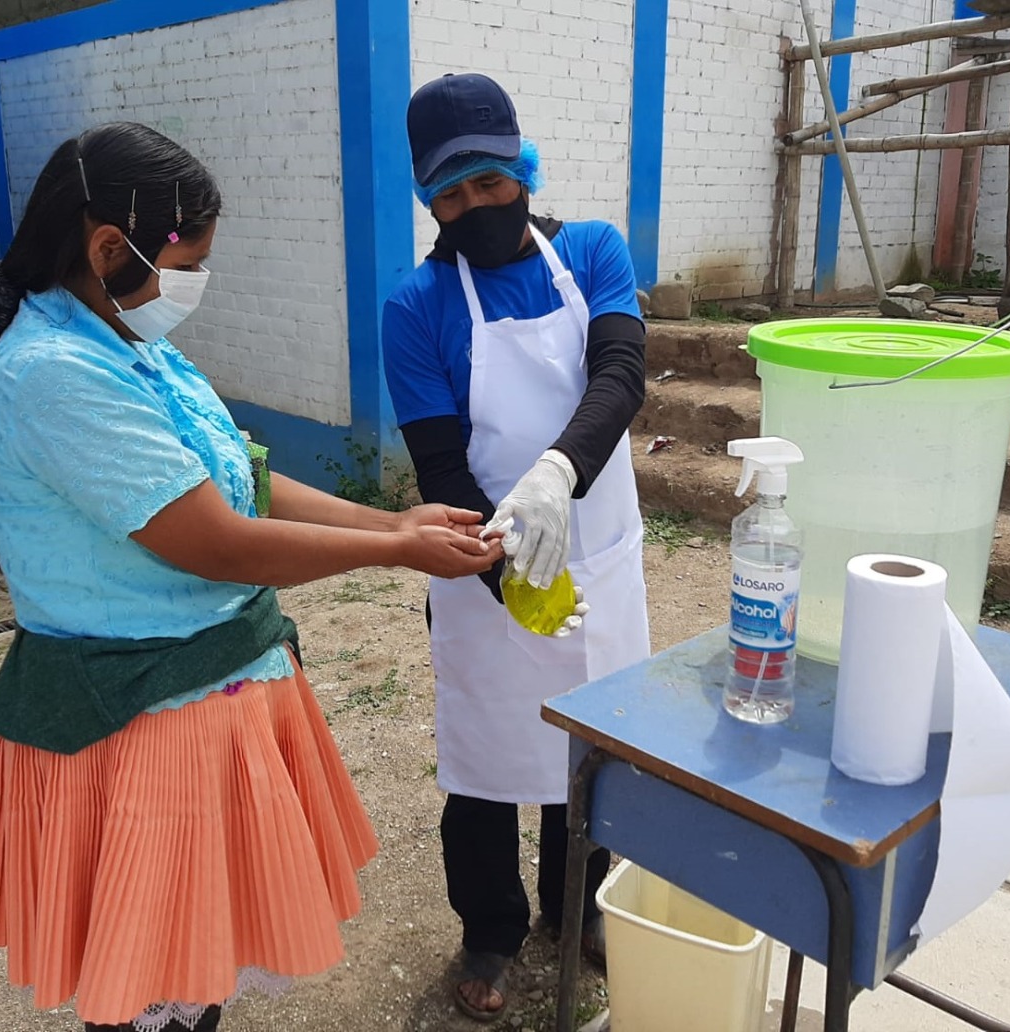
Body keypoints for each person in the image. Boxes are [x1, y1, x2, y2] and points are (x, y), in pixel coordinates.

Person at [0, 121, 503, 1032]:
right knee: (147, 972)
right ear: (109, 248)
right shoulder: (51, 374)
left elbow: (240, 475)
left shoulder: (130, 343)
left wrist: (394, 520)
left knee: (198, 957)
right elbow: (216, 542)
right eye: (188, 262)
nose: (196, 282)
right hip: (135, 717)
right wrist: (394, 550)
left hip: (209, 695)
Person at [380, 73, 651, 1021]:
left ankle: (579, 906)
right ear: (428, 201)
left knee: (593, 749)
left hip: (599, 548)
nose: (475, 207)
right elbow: (440, 464)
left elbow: (620, 374)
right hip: (481, 561)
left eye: (490, 183)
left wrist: (556, 474)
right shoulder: (416, 306)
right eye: (450, 195)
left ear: (523, 171)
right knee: (489, 758)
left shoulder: (593, 250)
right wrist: (510, 575)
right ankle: (491, 926)